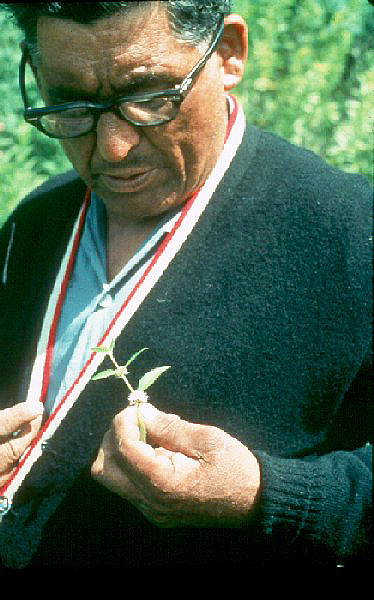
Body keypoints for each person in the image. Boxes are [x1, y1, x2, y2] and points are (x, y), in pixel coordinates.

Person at [0, 1, 372, 571]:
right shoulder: (35, 224)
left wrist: (268, 495)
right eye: (70, 103)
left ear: (227, 53)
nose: (113, 149)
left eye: (150, 98)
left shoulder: (351, 235)